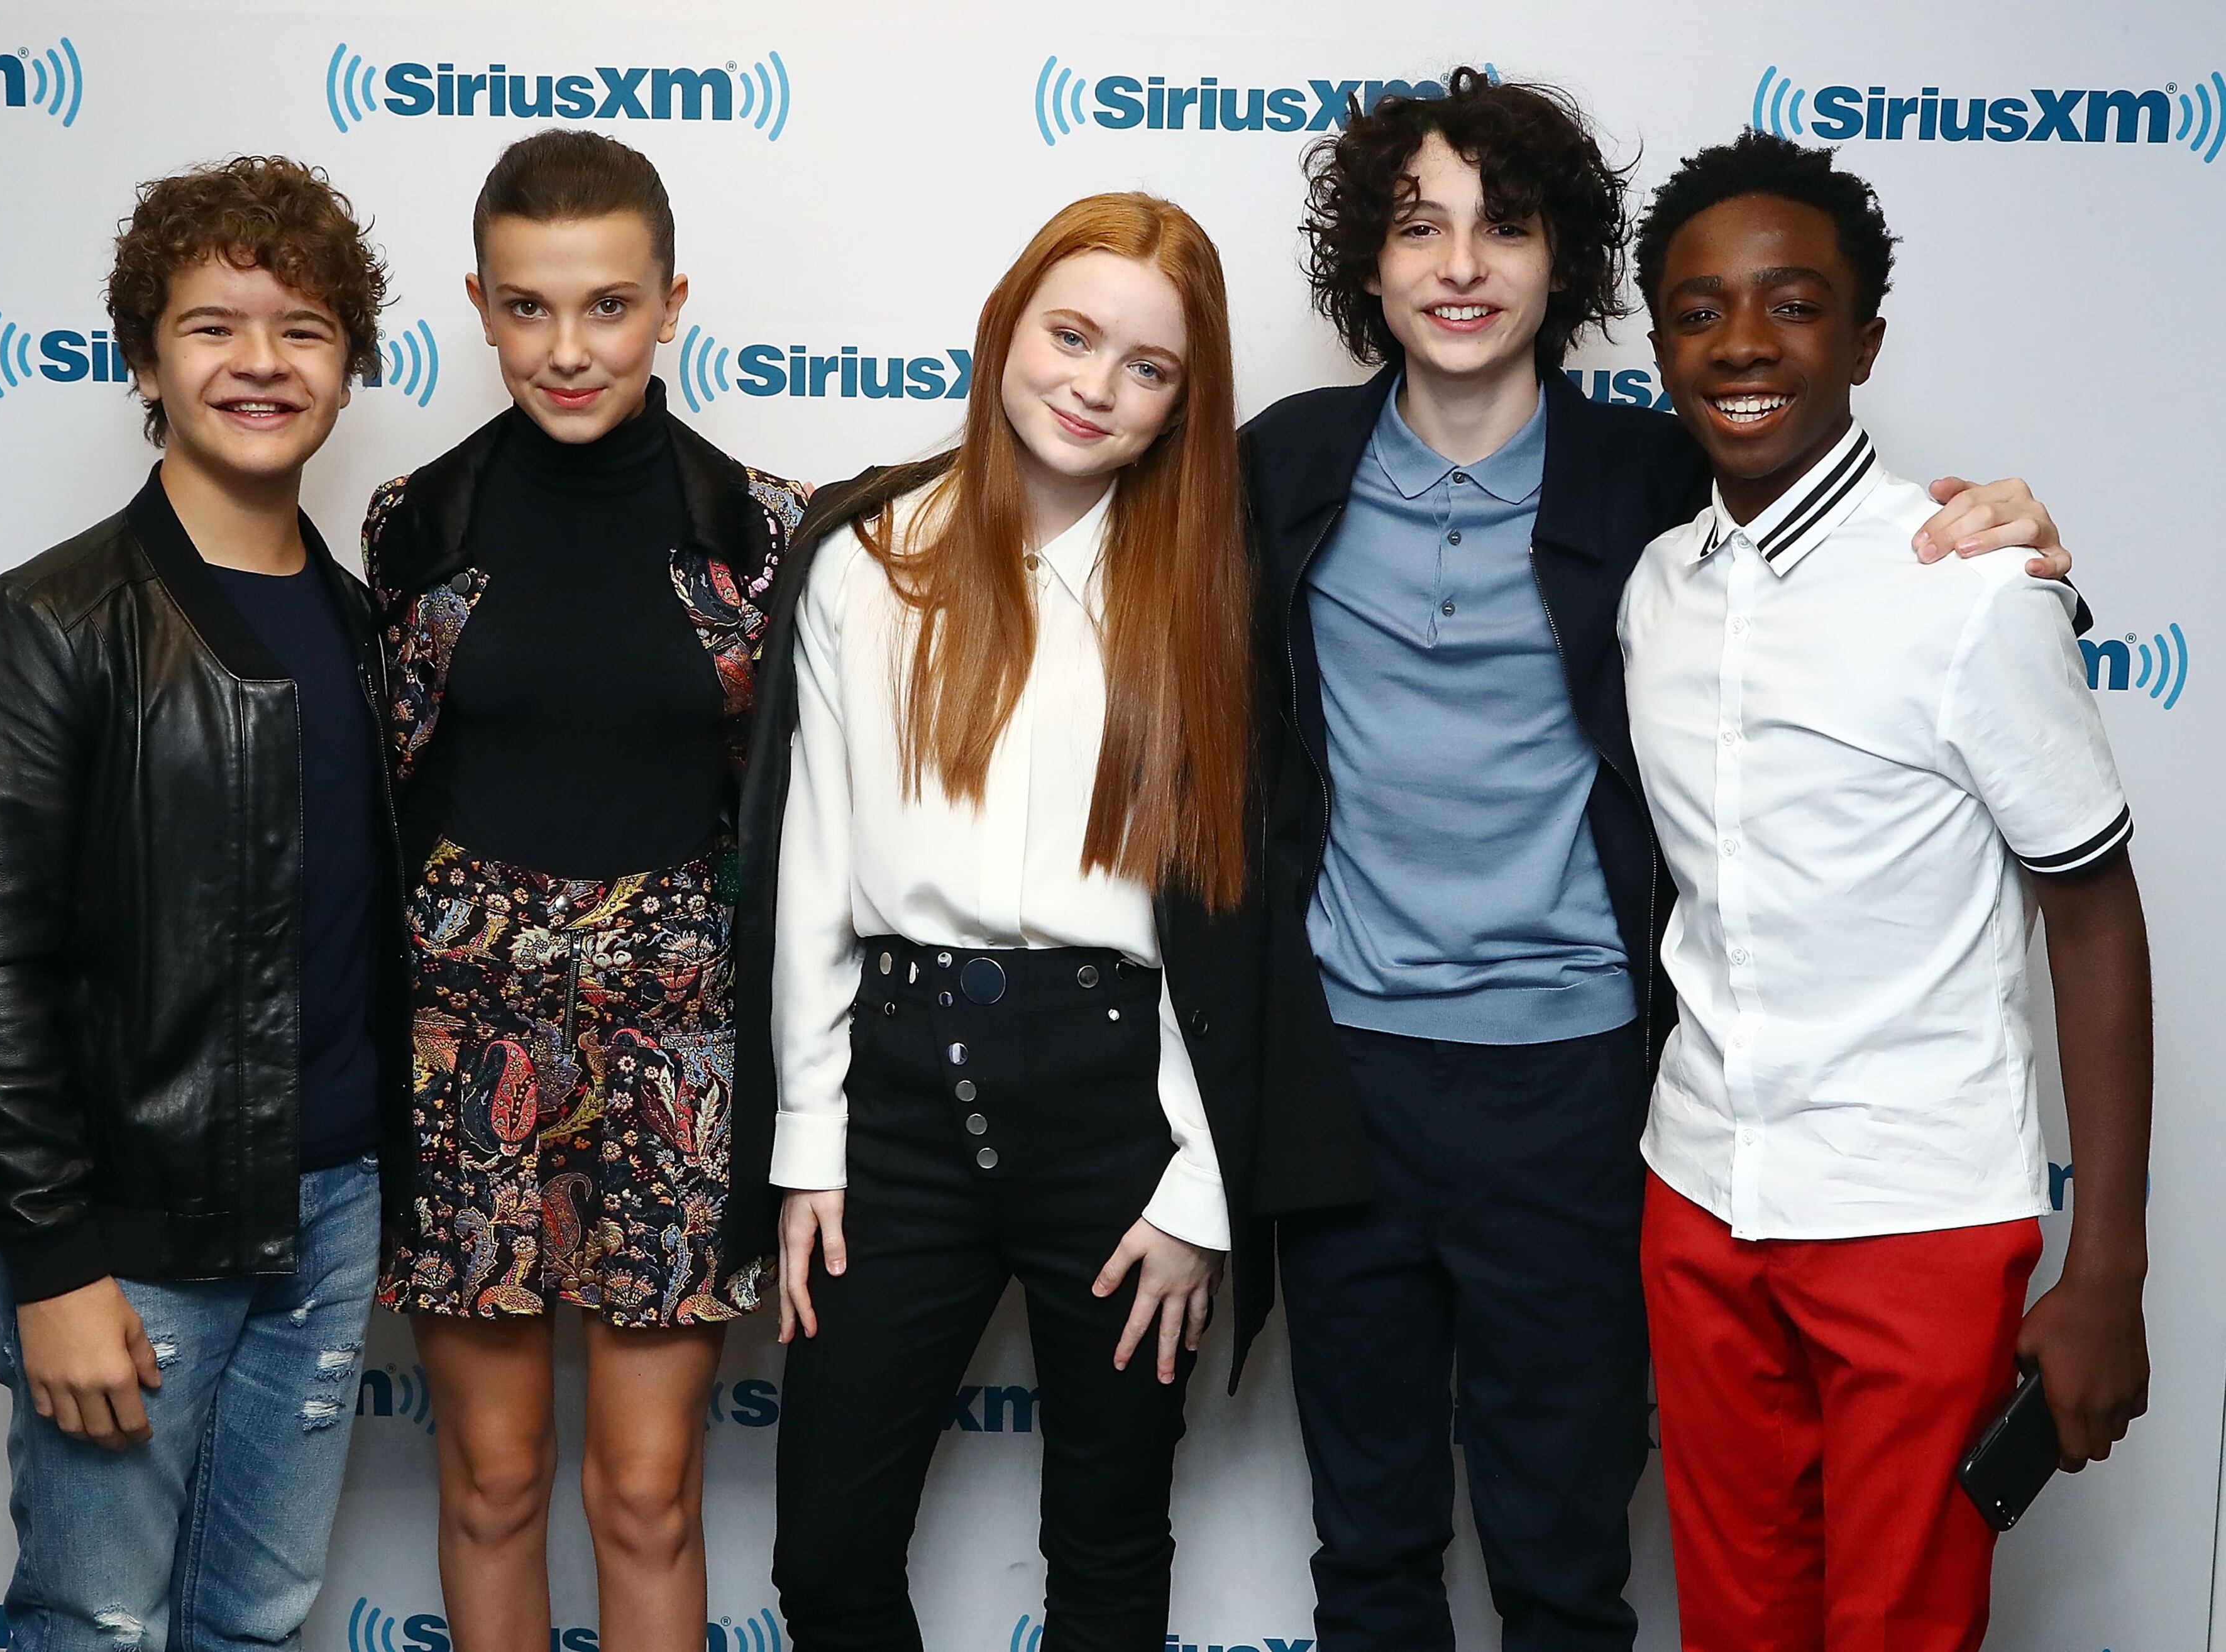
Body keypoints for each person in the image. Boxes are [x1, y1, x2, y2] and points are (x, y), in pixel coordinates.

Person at [1237, 70, 2080, 1652]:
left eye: (1507, 226)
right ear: (1369, 263)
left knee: (1565, 1555)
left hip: (1572, 1086)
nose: (1464, 263)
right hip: (1344, 1082)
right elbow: (1091, 567)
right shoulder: (1281, 469)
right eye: (1420, 228)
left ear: (1567, 267)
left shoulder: (1651, 477)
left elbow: (1850, 538)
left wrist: (2027, 543)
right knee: (1368, 1551)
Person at [1623, 129, 2151, 1652]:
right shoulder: (1654, 591)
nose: (1741, 343)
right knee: (1737, 1621)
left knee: (1901, 1631)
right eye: (1699, 308)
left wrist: (2105, 1264)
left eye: (1792, 304)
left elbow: (2096, 920)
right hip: (1699, 1189)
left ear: (1863, 337)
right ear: (1659, 340)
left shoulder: (1973, 585)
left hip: (1914, 1212)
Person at [732, 192, 1265, 1652]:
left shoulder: (1221, 588)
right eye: (1071, 335)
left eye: (1147, 367)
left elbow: (1242, 919)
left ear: (1185, 400)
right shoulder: (867, 553)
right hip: (897, 1102)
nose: (1094, 385)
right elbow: (813, 877)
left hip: (1124, 1115)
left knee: (1108, 1555)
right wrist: (809, 1150)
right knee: (828, 1554)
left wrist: (1200, 1192)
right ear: (1006, 329)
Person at [0, 156, 394, 1652]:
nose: (261, 363)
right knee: (97, 1621)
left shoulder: (371, 620)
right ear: (145, 357)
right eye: (213, 326)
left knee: (256, 1616)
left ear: (351, 363)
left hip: (333, 1216)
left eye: (302, 328)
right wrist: (51, 1260)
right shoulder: (50, 622)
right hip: (128, 1235)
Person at [361, 129, 803, 1652]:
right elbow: (389, 797)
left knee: (648, 1495)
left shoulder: (762, 532)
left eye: (608, 306)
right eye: (531, 309)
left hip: (680, 1061)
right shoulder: (413, 527)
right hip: (463, 1054)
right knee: (491, 1481)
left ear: (672, 300)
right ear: (477, 304)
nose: (568, 350)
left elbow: (800, 816)